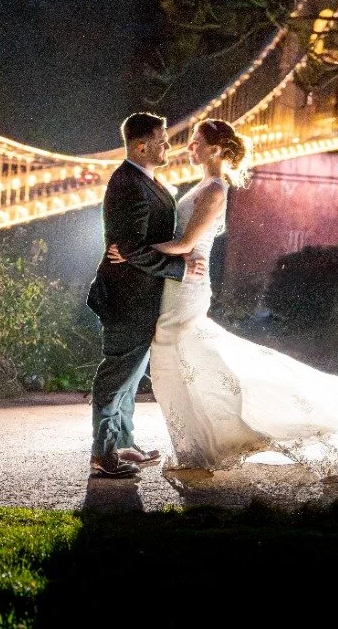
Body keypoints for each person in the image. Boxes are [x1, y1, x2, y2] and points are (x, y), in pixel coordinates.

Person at [138, 118, 338, 474]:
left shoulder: (214, 189)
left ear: (215, 149)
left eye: (195, 141)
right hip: (179, 280)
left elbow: (186, 244)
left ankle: (208, 443)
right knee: (178, 357)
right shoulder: (202, 186)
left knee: (179, 353)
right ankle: (198, 445)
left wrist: (134, 251)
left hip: (189, 285)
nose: (188, 147)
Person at [84, 112, 202, 478]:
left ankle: (123, 444)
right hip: (126, 297)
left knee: (132, 376)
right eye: (162, 139)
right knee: (116, 375)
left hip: (141, 295)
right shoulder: (129, 184)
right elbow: (132, 247)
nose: (169, 144)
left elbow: (135, 245)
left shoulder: (145, 180)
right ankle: (103, 453)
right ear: (141, 145)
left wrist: (147, 252)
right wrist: (179, 269)